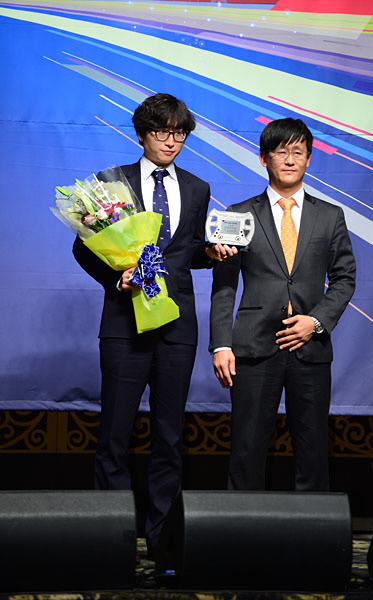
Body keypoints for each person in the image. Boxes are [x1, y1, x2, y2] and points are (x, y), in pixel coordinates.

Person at [73, 93, 236, 555]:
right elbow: (84, 247)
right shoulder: (112, 182)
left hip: (176, 327)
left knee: (169, 437)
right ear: (142, 133)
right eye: (163, 132)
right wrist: (117, 277)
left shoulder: (198, 187)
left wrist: (212, 253)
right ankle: (111, 541)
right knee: (114, 434)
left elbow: (190, 253)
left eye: (179, 133)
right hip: (124, 325)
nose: (171, 141)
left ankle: (164, 544)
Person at [210, 117, 356, 492]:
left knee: (312, 452)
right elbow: (224, 285)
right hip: (253, 347)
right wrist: (221, 344)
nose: (290, 160)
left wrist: (316, 321)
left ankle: (313, 529)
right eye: (280, 151)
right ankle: (242, 525)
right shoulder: (238, 214)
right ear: (264, 158)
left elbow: (345, 278)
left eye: (298, 152)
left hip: (311, 346)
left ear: (308, 158)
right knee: (246, 450)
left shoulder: (330, 216)